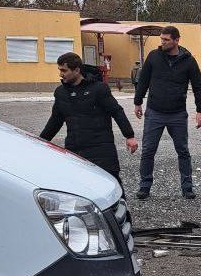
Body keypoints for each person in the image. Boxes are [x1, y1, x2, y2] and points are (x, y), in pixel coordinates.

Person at [40, 52, 139, 192]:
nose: (61, 74)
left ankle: (121, 213)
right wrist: (41, 141)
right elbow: (55, 120)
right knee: (79, 190)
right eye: (59, 70)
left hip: (101, 148)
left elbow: (116, 111)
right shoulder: (60, 92)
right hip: (74, 149)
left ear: (77, 70)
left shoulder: (98, 88)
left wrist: (129, 136)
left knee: (112, 186)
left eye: (64, 70)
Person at [133, 25, 201, 200]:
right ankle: (144, 186)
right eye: (161, 39)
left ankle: (187, 187)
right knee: (148, 151)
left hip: (177, 114)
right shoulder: (154, 57)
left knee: (183, 151)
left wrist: (200, 110)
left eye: (166, 40)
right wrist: (138, 102)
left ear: (176, 40)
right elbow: (143, 80)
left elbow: (198, 86)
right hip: (154, 112)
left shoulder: (188, 61)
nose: (162, 42)